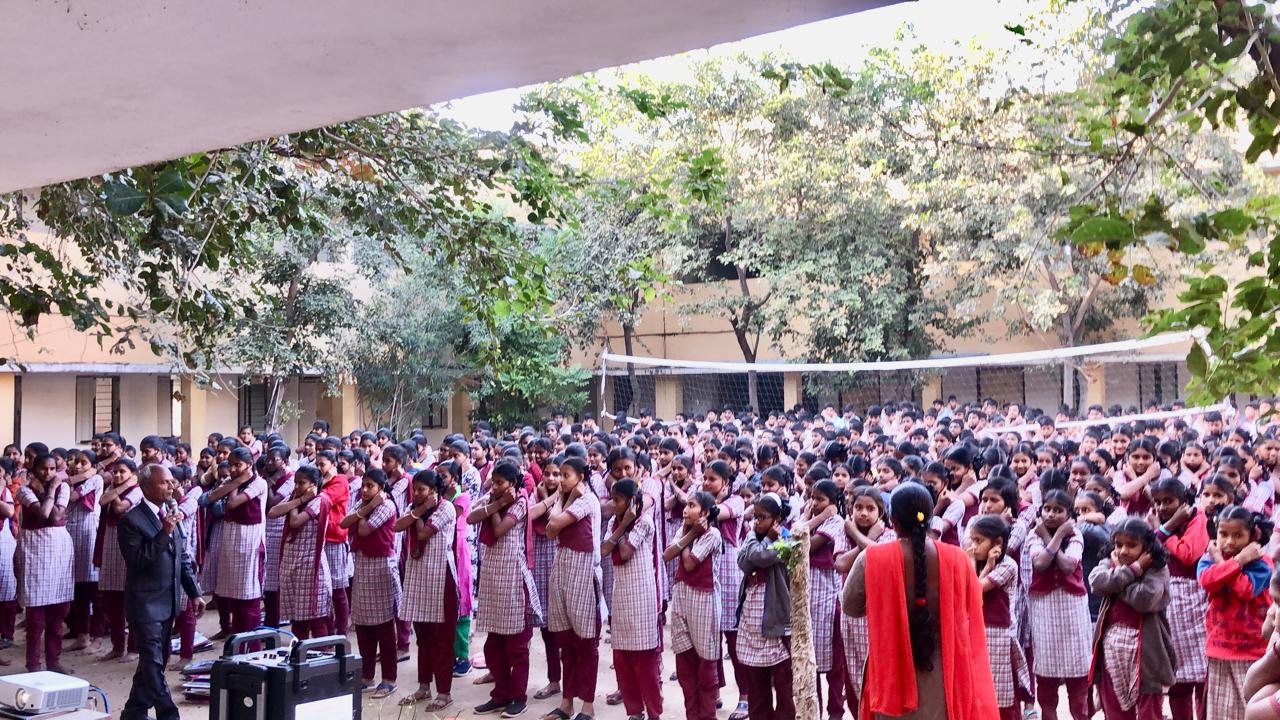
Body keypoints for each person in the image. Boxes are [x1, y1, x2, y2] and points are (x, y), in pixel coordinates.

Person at [841, 481, 997, 720]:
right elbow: (971, 602)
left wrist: (887, 604)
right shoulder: (958, 559)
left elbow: (850, 606)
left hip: (892, 669)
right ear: (930, 519)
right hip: (943, 671)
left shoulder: (872, 558)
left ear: (892, 520)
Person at [117, 463, 205, 720]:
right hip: (145, 604)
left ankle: (134, 712)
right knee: (154, 663)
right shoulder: (131, 521)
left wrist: (195, 593)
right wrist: (165, 531)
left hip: (168, 602)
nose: (171, 486)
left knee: (155, 660)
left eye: (171, 482)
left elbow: (182, 559)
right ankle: (169, 715)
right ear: (145, 487)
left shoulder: (169, 514)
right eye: (164, 482)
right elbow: (138, 561)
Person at [470, 460, 541, 717]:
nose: (495, 486)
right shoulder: (493, 498)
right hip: (492, 578)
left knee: (517, 646)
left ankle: (518, 697)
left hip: (512, 576)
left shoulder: (520, 502)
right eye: (494, 482)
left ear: (512, 484)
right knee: (493, 645)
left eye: (500, 483)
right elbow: (470, 517)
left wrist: (495, 506)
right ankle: (500, 694)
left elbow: (499, 529)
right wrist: (495, 503)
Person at [1088, 517, 1176, 720]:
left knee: (1148, 711)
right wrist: (1133, 569)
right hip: (1111, 653)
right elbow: (1096, 582)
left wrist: (1117, 581)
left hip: (1147, 655)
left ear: (1147, 548)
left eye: (1131, 545)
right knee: (1114, 709)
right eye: (1118, 545)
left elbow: (1144, 599)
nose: (1123, 551)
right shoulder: (1111, 562)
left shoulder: (1157, 569)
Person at [1197, 505, 1273, 720]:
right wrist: (1238, 561)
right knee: (1221, 712)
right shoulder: (1208, 559)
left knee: (1250, 708)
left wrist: (1227, 563)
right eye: (1223, 534)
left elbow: (1245, 589)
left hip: (1253, 650)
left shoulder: (1261, 564)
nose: (1229, 541)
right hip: (1219, 647)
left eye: (1238, 535)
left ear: (1253, 536)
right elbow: (1207, 581)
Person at [395, 469, 459, 712]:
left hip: (441, 576)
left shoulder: (446, 508)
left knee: (442, 638)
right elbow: (397, 526)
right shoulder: (415, 507)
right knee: (423, 636)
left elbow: (423, 533)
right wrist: (419, 509)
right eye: (416, 489)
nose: (417, 493)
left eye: (422, 490)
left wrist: (419, 512)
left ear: (434, 491)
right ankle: (424, 687)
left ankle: (444, 692)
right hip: (418, 576)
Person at [603, 478, 662, 720]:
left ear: (631, 502)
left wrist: (625, 523)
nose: (612, 504)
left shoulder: (644, 521)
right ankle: (634, 711)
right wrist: (621, 525)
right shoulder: (613, 522)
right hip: (621, 594)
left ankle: (654, 713)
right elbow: (603, 550)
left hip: (641, 595)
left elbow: (625, 552)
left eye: (617, 500)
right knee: (623, 657)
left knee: (644, 658)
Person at [737, 492, 795, 720]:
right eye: (755, 517)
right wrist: (757, 536)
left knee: (784, 686)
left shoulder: (786, 539)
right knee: (757, 685)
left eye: (763, 517)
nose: (757, 522)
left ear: (777, 519)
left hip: (775, 622)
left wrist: (765, 539)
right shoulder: (754, 537)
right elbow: (744, 562)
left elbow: (761, 558)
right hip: (752, 620)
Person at [666, 490, 722, 720]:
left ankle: (707, 715)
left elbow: (689, 564)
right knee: (685, 662)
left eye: (692, 506)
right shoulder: (684, 530)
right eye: (686, 505)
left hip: (703, 599)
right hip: (682, 595)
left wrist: (686, 538)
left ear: (705, 513)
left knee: (705, 664)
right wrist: (688, 535)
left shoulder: (713, 535)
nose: (685, 510)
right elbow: (667, 554)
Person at [17, 453, 76, 673]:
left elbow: (57, 516)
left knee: (58, 612)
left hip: (59, 548)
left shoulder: (64, 488)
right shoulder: (24, 491)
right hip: (35, 549)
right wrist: (50, 491)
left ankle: (53, 660)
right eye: (43, 469)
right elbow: (43, 514)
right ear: (34, 471)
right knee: (36, 615)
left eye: (52, 469)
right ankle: (33, 664)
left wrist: (49, 492)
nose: (48, 473)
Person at [268, 464, 332, 640]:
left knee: (316, 619)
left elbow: (295, 521)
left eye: (301, 483)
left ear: (314, 485)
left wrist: (298, 501)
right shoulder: (295, 498)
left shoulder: (321, 500)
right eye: (295, 482)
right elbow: (272, 512)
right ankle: (300, 654)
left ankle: (322, 653)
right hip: (291, 564)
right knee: (297, 619)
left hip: (310, 566)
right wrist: (298, 500)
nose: (296, 486)